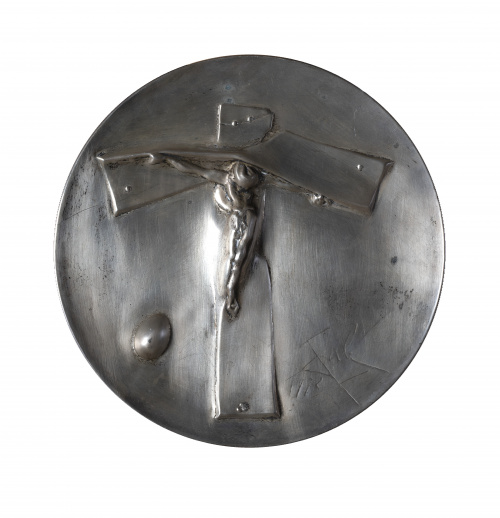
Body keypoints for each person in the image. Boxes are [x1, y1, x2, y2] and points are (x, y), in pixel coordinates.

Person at [165, 156, 260, 318]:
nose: (243, 192)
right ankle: (230, 292)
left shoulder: (236, 190)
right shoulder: (228, 181)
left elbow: (197, 169)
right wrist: (167, 158)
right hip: (239, 220)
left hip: (243, 220)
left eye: (245, 190)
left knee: (236, 257)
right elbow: (195, 169)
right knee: (235, 258)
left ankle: (230, 292)